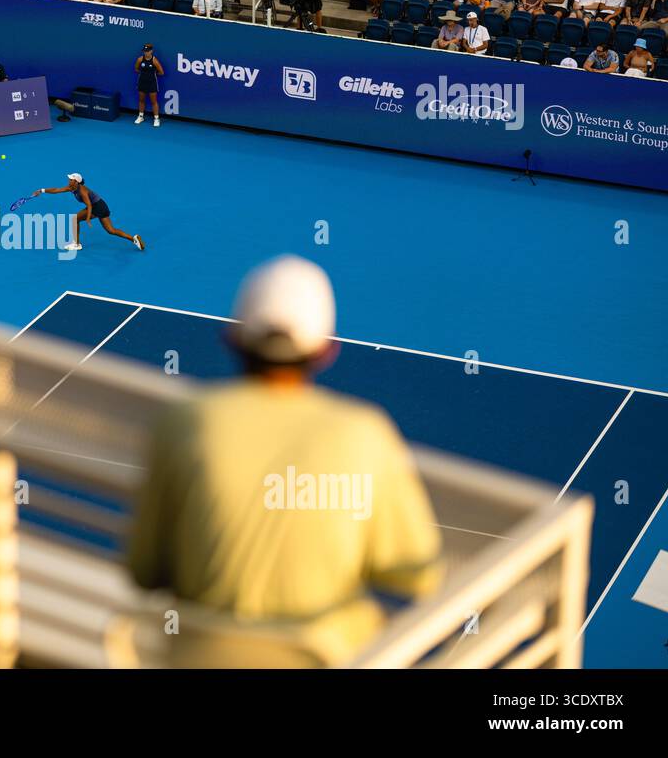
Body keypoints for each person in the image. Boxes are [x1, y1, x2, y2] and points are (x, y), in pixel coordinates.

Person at [126, 256, 442, 667]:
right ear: (327, 351)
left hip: (194, 658)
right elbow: (418, 575)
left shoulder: (185, 421)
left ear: (233, 339)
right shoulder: (366, 433)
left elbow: (144, 570)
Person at [30, 173, 144, 252]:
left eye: (71, 180)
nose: (69, 181)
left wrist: (88, 218)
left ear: (77, 182)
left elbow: (89, 205)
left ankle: (77, 244)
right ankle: (133, 239)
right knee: (111, 230)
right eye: (69, 179)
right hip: (100, 205)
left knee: (76, 219)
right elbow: (56, 190)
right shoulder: (71, 188)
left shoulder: (83, 191)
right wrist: (42, 190)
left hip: (97, 207)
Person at [133, 43, 164, 127]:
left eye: (147, 51)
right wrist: (144, 74)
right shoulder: (140, 59)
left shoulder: (154, 61)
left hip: (152, 83)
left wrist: (152, 75)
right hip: (142, 82)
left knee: (154, 101)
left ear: (151, 51)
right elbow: (136, 69)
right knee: (141, 100)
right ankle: (141, 116)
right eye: (144, 51)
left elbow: (161, 72)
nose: (145, 53)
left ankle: (156, 119)